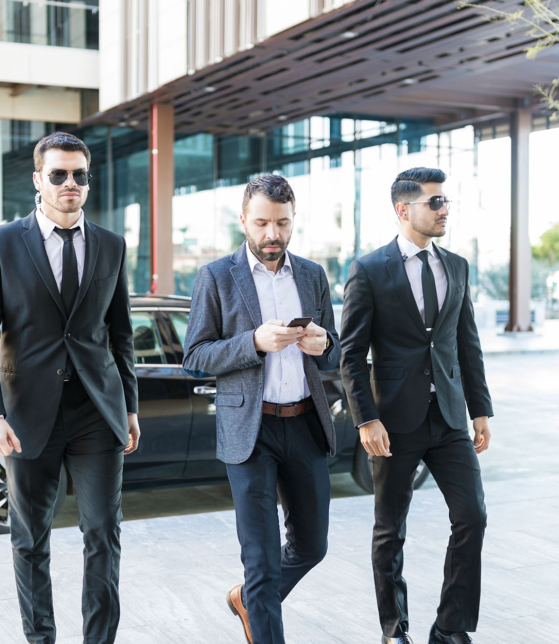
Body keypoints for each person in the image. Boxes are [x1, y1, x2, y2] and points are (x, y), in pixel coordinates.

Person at [0, 131, 139, 644]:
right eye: (58, 174)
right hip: (25, 416)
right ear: (37, 180)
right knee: (29, 539)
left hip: (96, 412)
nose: (70, 183)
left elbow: (120, 332)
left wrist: (128, 406)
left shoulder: (110, 244)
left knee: (103, 532)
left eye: (79, 174)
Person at [181, 174, 341, 644]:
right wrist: (252, 342)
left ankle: (249, 598)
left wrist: (324, 342)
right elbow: (195, 357)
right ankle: (260, 602)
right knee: (262, 559)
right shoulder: (215, 276)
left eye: (283, 223)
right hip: (249, 432)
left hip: (305, 425)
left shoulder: (312, 274)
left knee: (312, 546)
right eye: (263, 223)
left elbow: (335, 351)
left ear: (293, 220)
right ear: (244, 221)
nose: (273, 234)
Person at [339, 167, 493, 644]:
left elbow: (466, 344)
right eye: (435, 202)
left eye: (446, 201)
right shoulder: (369, 269)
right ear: (403, 210)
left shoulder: (458, 266)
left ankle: (449, 628)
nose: (444, 209)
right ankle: (394, 630)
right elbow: (350, 353)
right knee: (391, 529)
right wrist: (366, 418)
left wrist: (480, 408)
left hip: (447, 418)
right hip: (393, 422)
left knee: (472, 517)